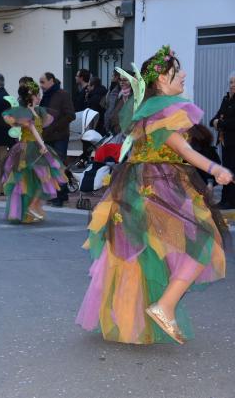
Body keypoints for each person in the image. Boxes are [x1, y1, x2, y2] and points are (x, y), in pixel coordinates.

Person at [76, 46, 232, 345]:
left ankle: (140, 315)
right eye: (176, 72)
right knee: (203, 241)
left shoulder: (148, 111)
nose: (183, 75)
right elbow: (184, 150)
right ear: (160, 80)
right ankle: (164, 305)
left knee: (151, 252)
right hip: (158, 186)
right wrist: (216, 168)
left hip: (147, 184)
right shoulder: (162, 113)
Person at [2, 82, 67, 223]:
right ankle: (27, 208)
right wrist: (42, 145)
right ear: (30, 96)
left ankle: (30, 208)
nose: (39, 97)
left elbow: (39, 127)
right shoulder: (23, 112)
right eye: (37, 95)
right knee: (28, 180)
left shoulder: (38, 110)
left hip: (36, 146)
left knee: (38, 179)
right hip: (29, 148)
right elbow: (32, 130)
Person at [39, 72, 76, 206]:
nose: (41, 85)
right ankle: (61, 192)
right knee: (50, 166)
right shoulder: (46, 96)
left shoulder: (62, 94)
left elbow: (70, 115)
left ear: (51, 81)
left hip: (59, 136)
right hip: (47, 136)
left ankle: (59, 196)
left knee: (57, 166)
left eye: (43, 82)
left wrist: (55, 126)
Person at [211, 71, 235, 210]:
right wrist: (215, 121)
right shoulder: (226, 99)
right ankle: (225, 199)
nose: (233, 85)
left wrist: (219, 123)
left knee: (232, 169)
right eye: (231, 82)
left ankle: (231, 201)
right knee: (226, 169)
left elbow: (232, 122)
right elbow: (217, 116)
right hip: (226, 142)